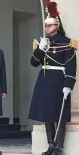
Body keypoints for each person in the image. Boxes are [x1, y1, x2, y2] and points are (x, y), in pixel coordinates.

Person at [28, 2, 77, 155]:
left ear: (56, 25)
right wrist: (40, 49)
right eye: (46, 26)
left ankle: (59, 147)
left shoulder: (67, 43)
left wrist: (68, 84)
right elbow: (34, 63)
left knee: (59, 116)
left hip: (58, 82)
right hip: (44, 81)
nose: (47, 28)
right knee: (47, 115)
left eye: (49, 26)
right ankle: (50, 145)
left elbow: (71, 65)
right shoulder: (44, 43)